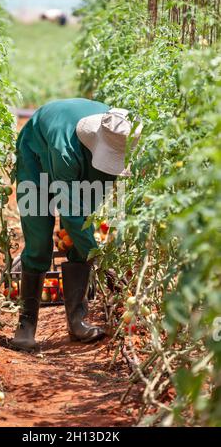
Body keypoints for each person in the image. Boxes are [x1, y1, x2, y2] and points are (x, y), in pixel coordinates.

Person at [8, 98, 142, 352]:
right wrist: (99, 256)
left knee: (83, 231)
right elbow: (69, 213)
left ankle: (77, 320)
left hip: (80, 156)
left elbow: (83, 216)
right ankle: (26, 324)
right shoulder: (64, 148)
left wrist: (87, 244)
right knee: (38, 234)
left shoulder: (118, 130)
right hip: (36, 157)